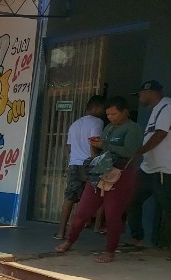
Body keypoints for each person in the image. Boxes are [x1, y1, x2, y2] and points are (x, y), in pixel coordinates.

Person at [56, 96, 143, 262]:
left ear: (125, 112)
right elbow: (102, 150)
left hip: (120, 174)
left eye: (114, 114)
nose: (110, 117)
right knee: (82, 211)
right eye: (108, 114)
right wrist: (94, 148)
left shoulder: (133, 129)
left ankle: (110, 251)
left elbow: (129, 151)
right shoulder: (109, 127)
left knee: (112, 214)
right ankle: (69, 240)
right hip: (100, 172)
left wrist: (103, 145)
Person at [125, 80, 171, 250]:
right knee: (131, 199)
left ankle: (165, 245)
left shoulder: (167, 106)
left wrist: (140, 151)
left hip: (163, 169)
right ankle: (137, 237)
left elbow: (161, 133)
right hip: (148, 169)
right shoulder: (155, 110)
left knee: (168, 207)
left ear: (150, 92)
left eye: (140, 94)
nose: (139, 98)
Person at [55, 96, 105, 239]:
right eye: (103, 108)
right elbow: (94, 142)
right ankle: (96, 227)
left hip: (74, 163)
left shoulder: (74, 124)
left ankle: (61, 231)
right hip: (89, 163)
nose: (104, 112)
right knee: (99, 194)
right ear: (97, 107)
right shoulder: (97, 122)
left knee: (70, 197)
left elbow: (69, 147)